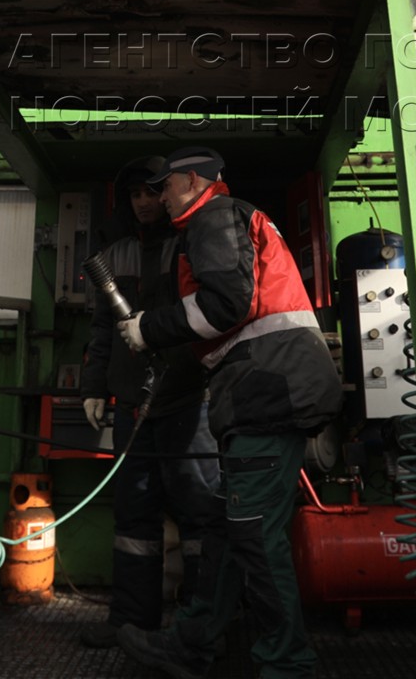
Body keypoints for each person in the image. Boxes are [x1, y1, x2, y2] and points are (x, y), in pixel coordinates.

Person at [115, 147, 343, 679]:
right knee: (226, 527)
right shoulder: (228, 218)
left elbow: (227, 305)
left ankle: (287, 663)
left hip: (269, 394)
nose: (160, 196)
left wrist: (148, 328)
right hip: (267, 391)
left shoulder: (214, 217)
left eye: (166, 186)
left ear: (193, 181)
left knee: (255, 538)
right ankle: (190, 643)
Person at [77, 155, 220, 649]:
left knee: (200, 515)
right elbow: (100, 329)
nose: (142, 202)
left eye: (149, 192)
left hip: (189, 400)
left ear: (166, 194)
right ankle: (131, 625)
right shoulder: (113, 255)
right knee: (133, 517)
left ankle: (203, 629)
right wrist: (95, 385)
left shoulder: (193, 243)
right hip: (132, 405)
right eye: (133, 194)